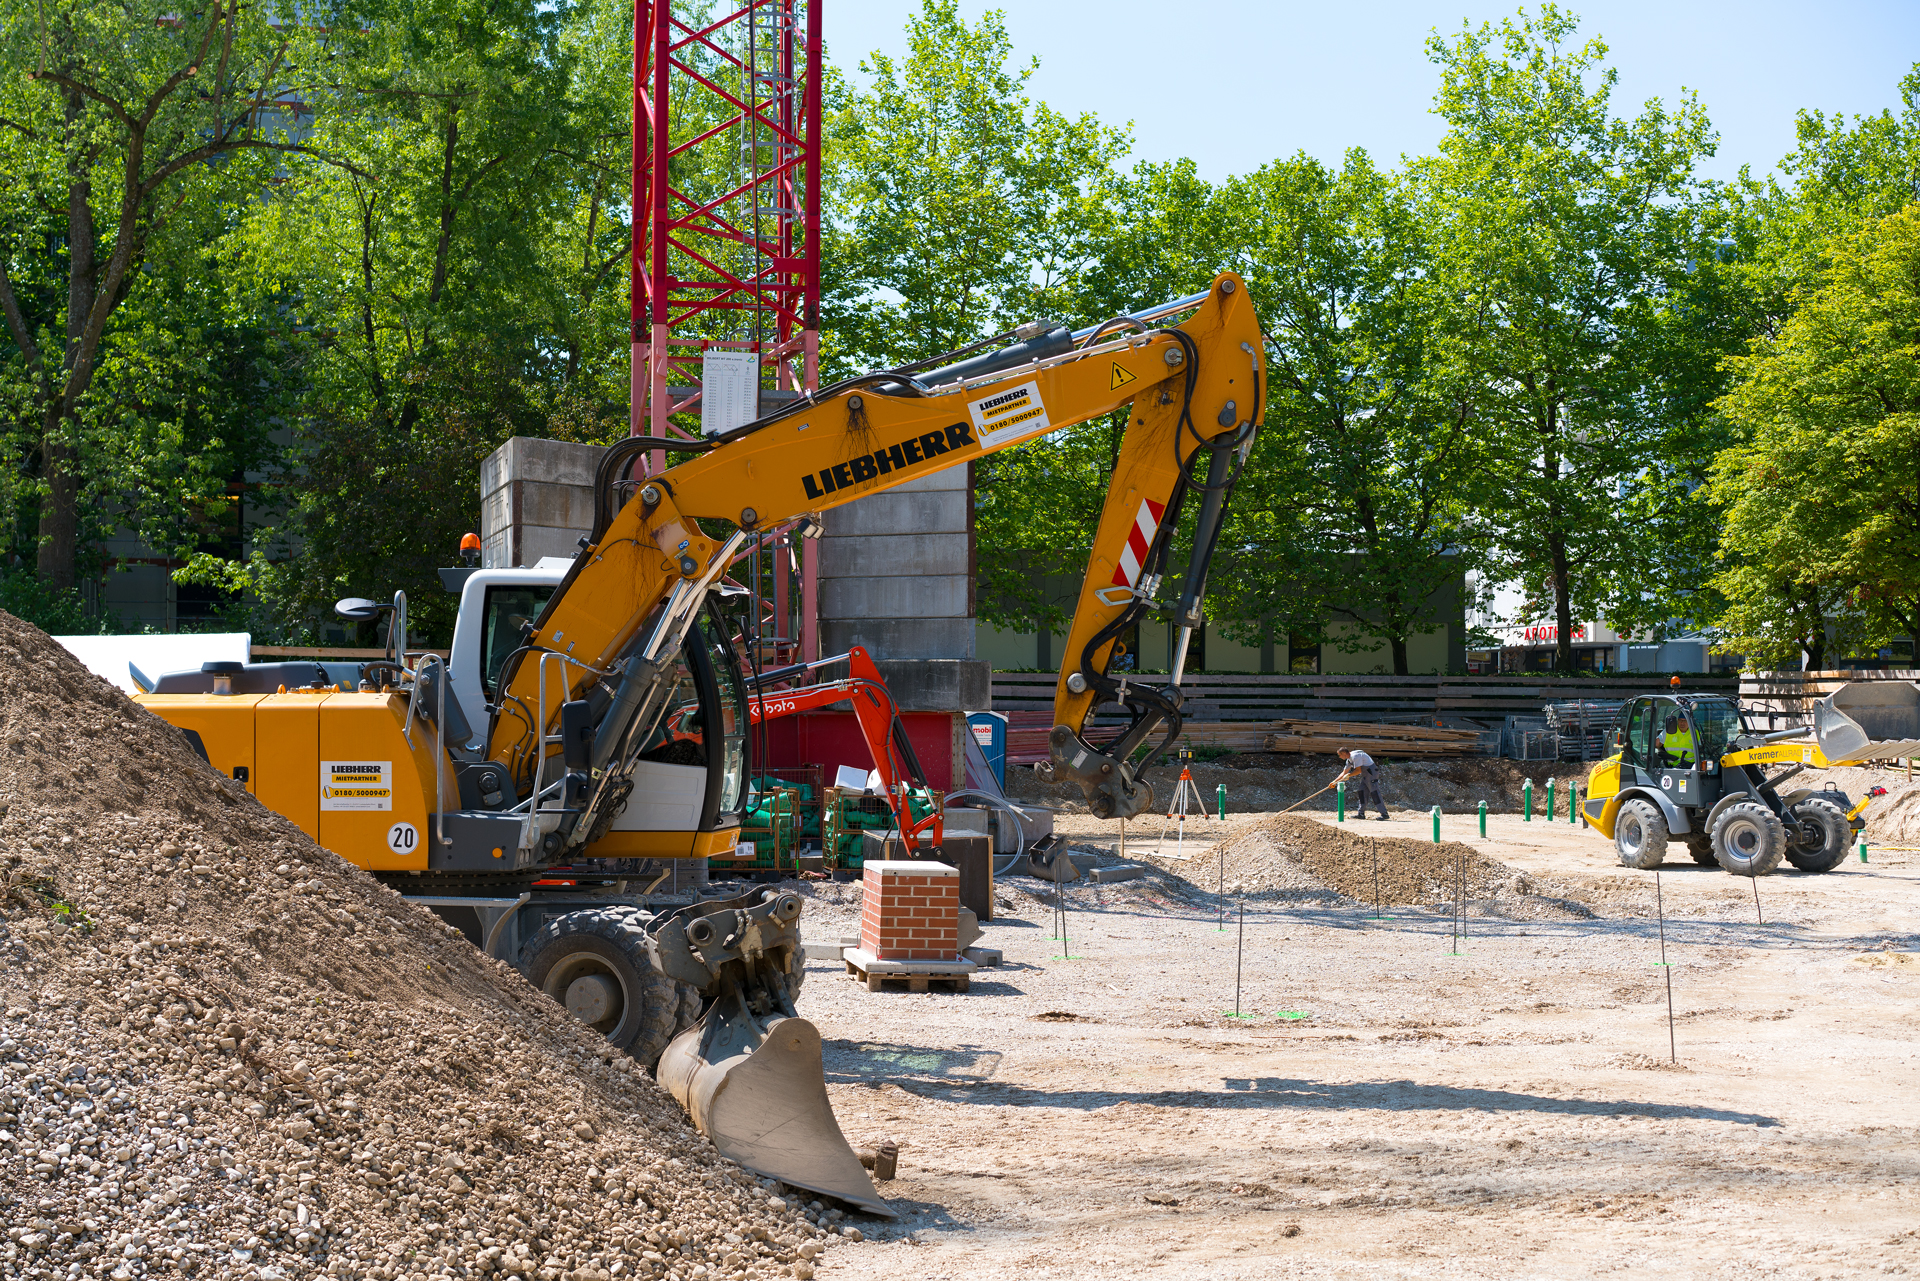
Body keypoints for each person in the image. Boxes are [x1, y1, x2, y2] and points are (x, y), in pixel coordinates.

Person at [1336, 747, 1390, 820]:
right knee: (1362, 792)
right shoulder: (1349, 760)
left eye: (1340, 755)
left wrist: (1349, 775)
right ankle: (1361, 814)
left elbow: (1358, 770)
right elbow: (1344, 772)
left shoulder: (1355, 756)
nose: (1339, 757)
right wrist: (1334, 782)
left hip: (1371, 773)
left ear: (1344, 753)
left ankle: (1384, 814)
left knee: (1374, 792)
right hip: (1366, 775)